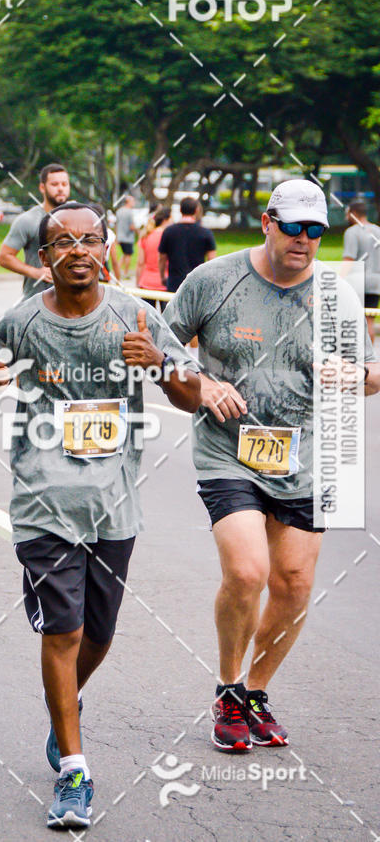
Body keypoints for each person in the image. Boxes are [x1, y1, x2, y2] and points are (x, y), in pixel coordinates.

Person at [0, 201, 200, 827]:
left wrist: (162, 364)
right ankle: (74, 771)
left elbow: (191, 389)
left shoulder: (136, 316)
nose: (76, 251)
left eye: (88, 240)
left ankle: (62, 707)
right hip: (43, 503)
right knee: (62, 633)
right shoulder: (21, 321)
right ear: (44, 258)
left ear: (107, 249)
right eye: (62, 242)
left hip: (113, 505)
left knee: (99, 634)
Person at [164, 178, 379, 752]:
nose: (304, 241)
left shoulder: (336, 296)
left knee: (294, 584)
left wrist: (356, 377)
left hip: (305, 457)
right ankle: (229, 689)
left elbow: (375, 372)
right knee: (248, 571)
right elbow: (163, 348)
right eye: (293, 228)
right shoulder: (214, 280)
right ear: (267, 223)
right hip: (227, 452)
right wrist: (203, 383)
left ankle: (255, 693)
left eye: (316, 231)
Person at [0, 164, 70, 298]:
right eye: (54, 184)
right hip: (37, 301)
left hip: (73, 302)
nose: (60, 188)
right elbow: (4, 257)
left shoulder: (78, 219)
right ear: (42, 188)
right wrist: (36, 272)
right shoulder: (28, 220)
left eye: (64, 184)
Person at [158, 196, 216, 293]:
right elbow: (212, 260)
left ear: (180, 210)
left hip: (174, 282)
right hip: (197, 283)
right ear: (196, 210)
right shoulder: (205, 233)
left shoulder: (169, 231)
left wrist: (162, 276)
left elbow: (162, 258)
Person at [342, 199, 380, 342]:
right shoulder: (378, 230)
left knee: (353, 321)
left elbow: (349, 259)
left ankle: (357, 357)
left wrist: (339, 280)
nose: (346, 218)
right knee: (369, 321)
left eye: (347, 214)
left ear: (353, 213)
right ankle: (370, 360)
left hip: (357, 282)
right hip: (375, 282)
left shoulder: (352, 232)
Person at [136, 206, 171, 307]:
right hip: (164, 281)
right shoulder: (168, 236)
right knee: (166, 319)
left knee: (148, 317)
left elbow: (140, 262)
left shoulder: (146, 236)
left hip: (147, 282)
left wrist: (138, 282)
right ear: (165, 220)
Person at [115, 194, 137, 280]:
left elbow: (117, 224)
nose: (134, 203)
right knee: (128, 255)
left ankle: (118, 270)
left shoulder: (119, 211)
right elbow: (131, 226)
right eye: (133, 201)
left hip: (120, 236)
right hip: (128, 237)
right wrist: (138, 230)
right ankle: (126, 272)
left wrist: (117, 236)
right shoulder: (130, 212)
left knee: (124, 254)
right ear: (128, 202)